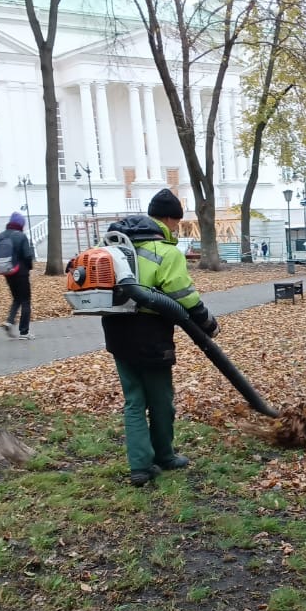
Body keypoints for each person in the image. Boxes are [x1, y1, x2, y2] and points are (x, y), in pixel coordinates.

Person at [102, 188, 219, 487]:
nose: (177, 229)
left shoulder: (112, 248)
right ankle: (164, 455)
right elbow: (183, 295)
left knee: (133, 400)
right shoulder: (165, 252)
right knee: (161, 399)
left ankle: (140, 467)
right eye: (177, 224)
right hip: (150, 333)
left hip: (116, 330)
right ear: (168, 219)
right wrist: (207, 323)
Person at [0, 211, 37, 340]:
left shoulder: (1, 236)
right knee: (25, 301)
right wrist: (29, 267)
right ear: (21, 223)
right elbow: (27, 255)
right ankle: (24, 332)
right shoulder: (21, 236)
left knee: (16, 298)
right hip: (21, 272)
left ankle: (9, 321)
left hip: (7, 271)